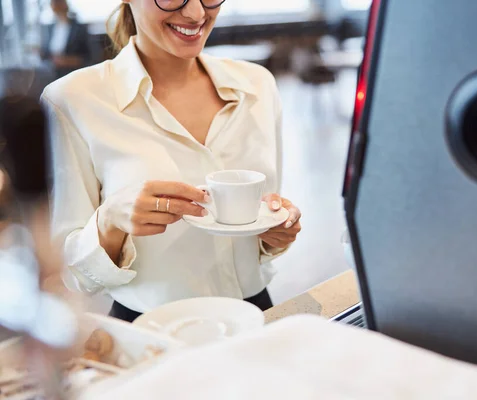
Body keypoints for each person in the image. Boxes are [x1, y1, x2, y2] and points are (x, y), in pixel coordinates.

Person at [41, 0, 302, 322]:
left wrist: (277, 232)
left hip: (255, 313)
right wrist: (109, 220)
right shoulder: (72, 99)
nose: (196, 13)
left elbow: (266, 210)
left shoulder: (258, 85)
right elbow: (66, 270)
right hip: (149, 325)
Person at [40, 0, 91, 79]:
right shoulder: (50, 28)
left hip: (72, 72)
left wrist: (68, 61)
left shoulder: (79, 28)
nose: (55, 6)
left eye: (58, 3)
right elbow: (45, 53)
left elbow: (89, 56)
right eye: (53, 4)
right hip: (52, 70)